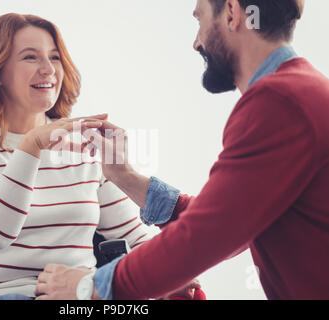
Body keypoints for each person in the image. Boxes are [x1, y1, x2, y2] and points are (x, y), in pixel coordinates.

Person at [35, 0, 329, 300]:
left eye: (199, 21)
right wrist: (126, 176)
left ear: (231, 13)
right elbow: (224, 220)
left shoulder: (278, 102)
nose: (195, 42)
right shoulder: (301, 92)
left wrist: (88, 288)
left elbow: (207, 234)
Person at [0, 13, 163, 300]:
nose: (48, 69)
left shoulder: (84, 150)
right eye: (30, 57)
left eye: (55, 58)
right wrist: (30, 147)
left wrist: (173, 277)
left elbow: (134, 238)